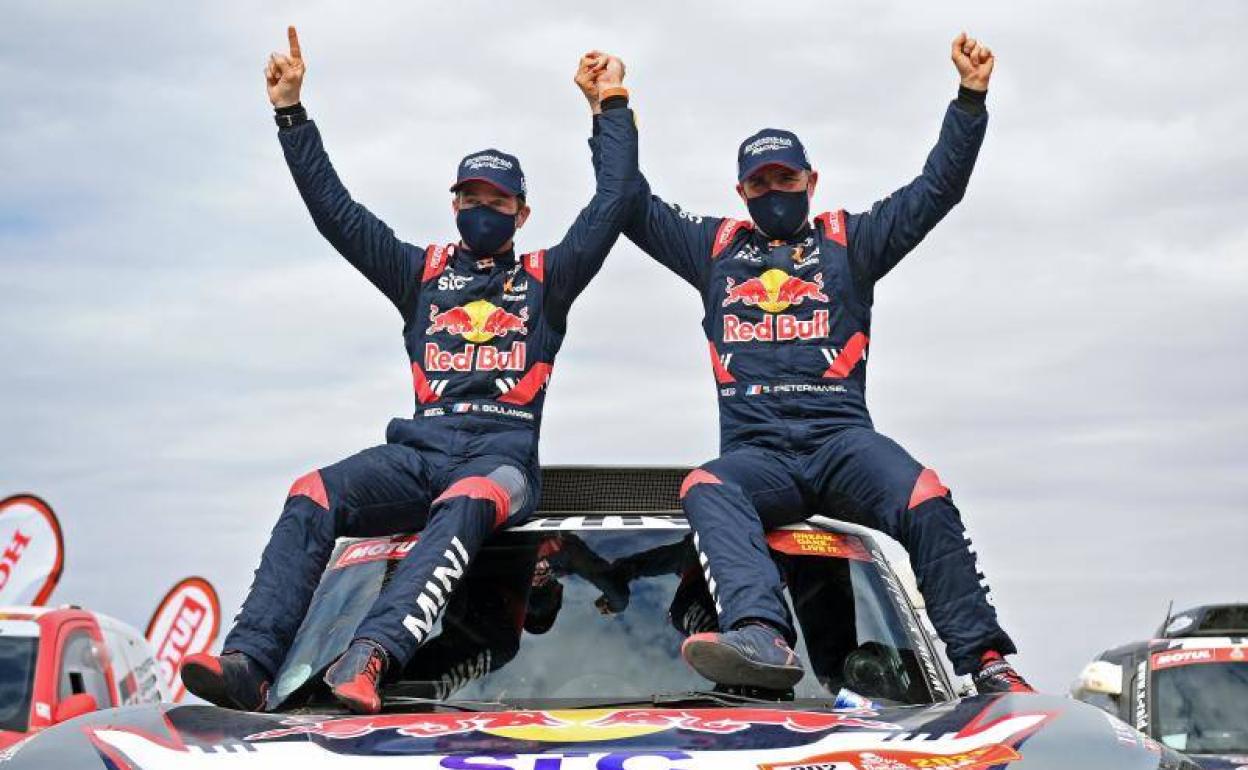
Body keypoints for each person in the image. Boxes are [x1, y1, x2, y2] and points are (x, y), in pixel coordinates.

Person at [181, 28, 638, 714]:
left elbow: (613, 203)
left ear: (522, 213)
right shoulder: (420, 274)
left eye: (497, 201)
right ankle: (251, 662)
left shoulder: (548, 279)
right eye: (471, 198)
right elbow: (337, 215)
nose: (482, 210)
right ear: (454, 205)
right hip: (419, 454)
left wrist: (610, 106)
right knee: (312, 491)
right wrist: (291, 114)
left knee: (468, 500)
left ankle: (371, 655)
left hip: (501, 460)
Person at [614, 33, 1032, 693]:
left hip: (842, 444)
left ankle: (987, 663)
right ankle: (761, 634)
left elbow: (937, 189)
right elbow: (629, 205)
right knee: (706, 486)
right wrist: (610, 109)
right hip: (759, 456)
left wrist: (969, 100)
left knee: (925, 495)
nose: (774, 190)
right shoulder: (713, 248)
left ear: (812, 181)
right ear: (740, 190)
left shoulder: (850, 242)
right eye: (760, 181)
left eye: (786, 178)